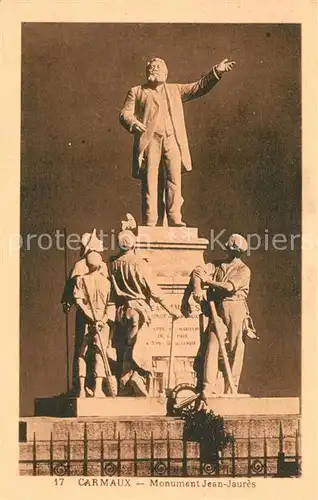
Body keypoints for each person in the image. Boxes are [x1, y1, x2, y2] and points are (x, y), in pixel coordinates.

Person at [119, 57, 235, 227]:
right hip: (151, 141)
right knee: (151, 180)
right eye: (151, 67)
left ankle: (174, 218)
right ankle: (150, 221)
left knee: (174, 179)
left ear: (166, 73)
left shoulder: (175, 90)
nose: (154, 69)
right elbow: (125, 113)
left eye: (158, 67)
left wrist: (216, 72)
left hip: (172, 140)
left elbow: (198, 87)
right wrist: (134, 123)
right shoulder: (137, 91)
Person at [109, 225, 182, 396]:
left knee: (127, 345)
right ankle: (137, 377)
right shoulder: (139, 264)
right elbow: (154, 290)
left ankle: (125, 380)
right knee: (139, 346)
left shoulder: (113, 264)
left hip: (121, 310)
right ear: (134, 245)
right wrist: (171, 309)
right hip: (139, 310)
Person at [191, 234, 256, 404]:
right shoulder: (217, 265)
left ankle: (231, 386)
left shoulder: (243, 270)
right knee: (212, 345)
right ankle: (207, 386)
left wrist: (209, 282)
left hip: (236, 309)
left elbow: (229, 287)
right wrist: (197, 288)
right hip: (219, 310)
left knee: (235, 349)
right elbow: (198, 271)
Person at [61, 229, 109, 394]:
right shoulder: (100, 265)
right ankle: (89, 386)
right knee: (94, 350)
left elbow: (71, 290)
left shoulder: (80, 266)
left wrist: (66, 301)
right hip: (98, 316)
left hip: (85, 315)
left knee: (83, 349)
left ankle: (81, 386)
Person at [73, 251, 113, 398]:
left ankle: (82, 389)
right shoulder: (107, 283)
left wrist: (91, 318)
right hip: (101, 323)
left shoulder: (81, 280)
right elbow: (111, 305)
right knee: (99, 353)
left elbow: (78, 302)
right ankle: (98, 389)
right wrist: (102, 320)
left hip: (86, 322)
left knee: (82, 354)